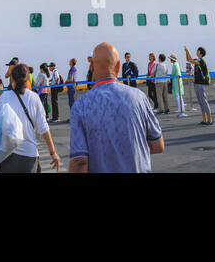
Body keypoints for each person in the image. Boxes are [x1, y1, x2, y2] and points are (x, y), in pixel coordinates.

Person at [68, 42, 165, 173]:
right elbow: (158, 145)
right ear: (118, 66)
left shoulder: (80, 106)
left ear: (92, 66)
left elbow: (79, 162)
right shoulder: (139, 97)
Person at [0, 63, 60, 172]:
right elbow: (43, 128)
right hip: (29, 156)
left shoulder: (4, 98)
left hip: (7, 156)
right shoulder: (34, 98)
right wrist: (53, 153)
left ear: (11, 78)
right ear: (27, 78)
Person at [193, 47, 213, 125]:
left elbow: (190, 60)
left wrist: (187, 51)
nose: (196, 51)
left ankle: (210, 120)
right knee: (201, 102)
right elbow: (191, 60)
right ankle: (204, 119)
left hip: (200, 84)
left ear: (200, 53)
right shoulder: (198, 60)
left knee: (204, 102)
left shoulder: (201, 61)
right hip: (196, 83)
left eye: (197, 50)